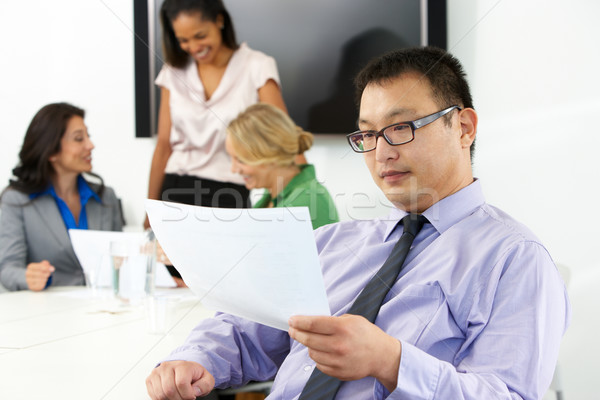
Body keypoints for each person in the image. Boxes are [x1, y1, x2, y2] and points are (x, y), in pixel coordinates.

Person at [145, 47, 570, 400]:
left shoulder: (515, 260)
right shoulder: (330, 243)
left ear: (463, 127)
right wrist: (194, 358)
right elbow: (244, 329)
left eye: (401, 127)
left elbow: (506, 394)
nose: (381, 152)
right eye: (367, 134)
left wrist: (391, 362)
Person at [146, 0, 289, 221]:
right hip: (175, 188)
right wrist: (151, 210)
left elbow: (283, 138)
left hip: (229, 193)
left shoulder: (257, 66)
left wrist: (302, 189)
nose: (193, 47)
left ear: (219, 21)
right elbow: (163, 146)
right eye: (183, 40)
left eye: (200, 36)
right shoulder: (173, 71)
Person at [0, 103, 123, 291]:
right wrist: (28, 277)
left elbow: (120, 263)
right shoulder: (16, 200)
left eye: (88, 136)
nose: (90, 145)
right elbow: (8, 269)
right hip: (47, 312)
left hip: (103, 310)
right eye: (79, 139)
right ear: (50, 150)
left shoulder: (106, 197)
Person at [225, 103, 339, 229]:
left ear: (270, 155)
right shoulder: (273, 195)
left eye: (241, 160)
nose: (233, 169)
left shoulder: (306, 202)